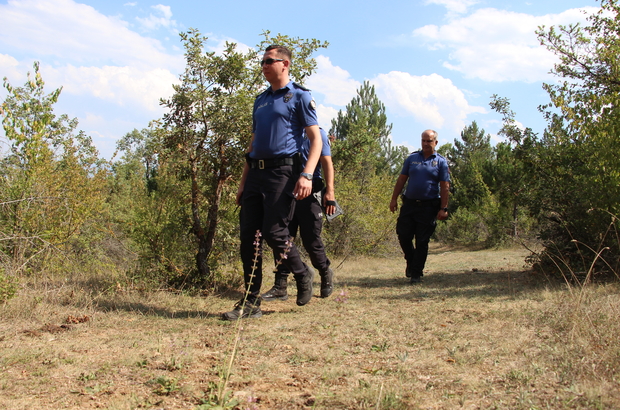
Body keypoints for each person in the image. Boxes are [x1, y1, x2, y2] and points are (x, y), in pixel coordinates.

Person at [222, 45, 323, 320]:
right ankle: (250, 303)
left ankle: (302, 273)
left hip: (284, 173)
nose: (264, 65)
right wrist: (243, 182)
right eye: (263, 62)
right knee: (248, 239)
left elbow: (316, 140)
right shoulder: (261, 100)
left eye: (269, 61)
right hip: (256, 173)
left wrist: (307, 175)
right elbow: (252, 144)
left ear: (285, 64)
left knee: (275, 233)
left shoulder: (300, 97)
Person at [261, 127, 336, 301]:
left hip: (311, 189)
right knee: (282, 236)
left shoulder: (318, 133)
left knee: (311, 239)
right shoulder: (286, 131)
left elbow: (327, 162)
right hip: (286, 188)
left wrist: (330, 192)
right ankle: (280, 286)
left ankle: (325, 271)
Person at [389, 129, 450, 284]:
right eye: (423, 140)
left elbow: (445, 186)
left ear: (435, 142)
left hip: (429, 206)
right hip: (409, 204)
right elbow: (402, 179)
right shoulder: (412, 159)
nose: (425, 143)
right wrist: (394, 199)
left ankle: (416, 273)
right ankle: (411, 260)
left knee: (422, 241)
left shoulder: (441, 162)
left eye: (429, 141)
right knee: (403, 235)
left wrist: (444, 208)